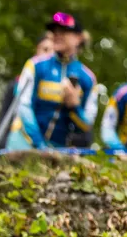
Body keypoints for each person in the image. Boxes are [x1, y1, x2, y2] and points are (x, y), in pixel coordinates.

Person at [10, 12, 97, 149]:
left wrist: (74, 106)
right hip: (23, 141)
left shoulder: (87, 77)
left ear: (78, 38)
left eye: (64, 31)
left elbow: (86, 125)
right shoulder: (35, 65)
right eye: (54, 31)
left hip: (58, 148)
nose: (57, 35)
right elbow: (24, 106)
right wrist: (40, 145)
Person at [0, 33, 54, 124]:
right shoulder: (17, 84)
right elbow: (5, 117)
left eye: (53, 51)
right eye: (45, 49)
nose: (49, 55)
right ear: (36, 50)